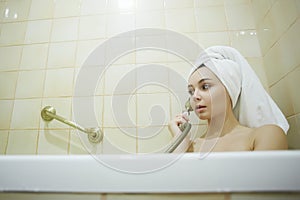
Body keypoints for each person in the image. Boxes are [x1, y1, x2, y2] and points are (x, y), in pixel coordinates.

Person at [168, 46, 288, 152]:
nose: (195, 96)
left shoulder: (265, 136)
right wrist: (180, 140)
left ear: (229, 88)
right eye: (191, 91)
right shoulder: (189, 147)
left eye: (205, 87)